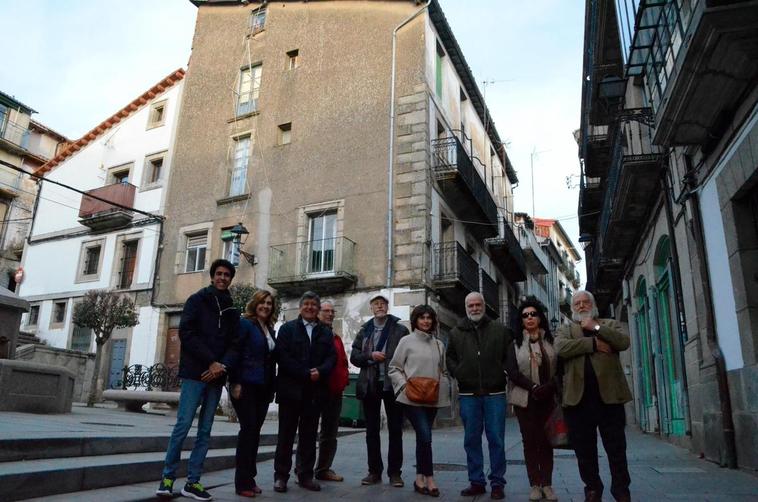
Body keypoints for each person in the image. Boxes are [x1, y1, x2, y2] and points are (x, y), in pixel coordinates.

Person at [156, 259, 241, 501]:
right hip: (195, 373)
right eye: (219, 274)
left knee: (205, 430)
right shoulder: (197, 300)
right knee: (182, 426)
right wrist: (211, 362)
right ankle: (167, 477)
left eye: (227, 275)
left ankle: (193, 482)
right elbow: (187, 333)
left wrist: (222, 366)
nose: (223, 278)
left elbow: (235, 344)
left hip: (216, 378)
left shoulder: (232, 310)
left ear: (230, 279)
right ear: (213, 276)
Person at [555, 290, 632, 502]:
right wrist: (594, 344)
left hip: (609, 399)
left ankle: (621, 490)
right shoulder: (565, 329)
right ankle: (592, 488)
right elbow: (561, 348)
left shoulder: (609, 324)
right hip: (578, 401)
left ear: (593, 304)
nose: (581, 306)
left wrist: (596, 328)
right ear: (572, 308)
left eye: (585, 302)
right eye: (577, 303)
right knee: (584, 451)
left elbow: (623, 342)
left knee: (616, 448)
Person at [446, 291, 512, 500]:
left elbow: (508, 357)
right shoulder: (456, 332)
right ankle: (476, 481)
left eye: (477, 304)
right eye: (470, 305)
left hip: (495, 393)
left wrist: (501, 372)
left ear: (484, 306)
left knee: (496, 439)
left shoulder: (499, 330)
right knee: (471, 439)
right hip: (468, 394)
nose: (474, 308)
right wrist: (459, 373)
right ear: (466, 308)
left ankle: (497, 483)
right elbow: (450, 358)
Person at [273, 291, 336, 493]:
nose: (310, 307)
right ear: (300, 307)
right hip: (290, 391)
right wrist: (305, 373)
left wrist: (321, 371)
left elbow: (331, 358)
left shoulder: (325, 332)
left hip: (314, 393)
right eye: (306, 304)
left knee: (309, 436)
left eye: (313, 304)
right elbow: (282, 357)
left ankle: (305, 475)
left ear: (318, 309)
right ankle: (281, 476)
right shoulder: (287, 329)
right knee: (286, 435)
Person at [388, 304, 450, 498]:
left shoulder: (439, 344)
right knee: (425, 435)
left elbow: (444, 370)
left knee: (423, 438)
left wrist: (444, 387)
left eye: (429, 318)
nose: (426, 321)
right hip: (411, 397)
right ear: (415, 320)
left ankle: (419, 478)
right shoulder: (406, 341)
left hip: (432, 397)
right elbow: (394, 368)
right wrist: (404, 387)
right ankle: (429, 478)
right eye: (422, 318)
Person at [350, 294, 409, 487]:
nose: (380, 307)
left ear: (387, 306)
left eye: (383, 304)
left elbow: (408, 356)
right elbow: (355, 357)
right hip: (370, 385)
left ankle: (395, 474)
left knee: (395, 430)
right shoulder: (364, 330)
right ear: (371, 308)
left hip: (393, 385)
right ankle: (374, 471)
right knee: (372, 431)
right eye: (376, 304)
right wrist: (370, 355)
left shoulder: (400, 330)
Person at [506, 297, 559, 501]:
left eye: (533, 314)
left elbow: (560, 369)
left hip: (548, 399)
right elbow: (512, 371)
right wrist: (533, 387)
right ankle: (534, 485)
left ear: (540, 317)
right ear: (521, 320)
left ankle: (547, 484)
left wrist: (548, 388)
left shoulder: (552, 341)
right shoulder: (515, 344)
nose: (529, 318)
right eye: (525, 315)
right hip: (525, 400)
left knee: (547, 442)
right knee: (530, 442)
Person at [229, 289, 277, 497]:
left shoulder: (269, 328)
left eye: (269, 303)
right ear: (254, 304)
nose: (265, 306)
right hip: (246, 385)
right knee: (248, 432)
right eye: (262, 302)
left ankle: (250, 477)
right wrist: (235, 381)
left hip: (263, 387)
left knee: (254, 434)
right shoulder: (245, 324)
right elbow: (236, 351)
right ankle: (242, 483)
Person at [313, 300, 349, 482]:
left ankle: (323, 469)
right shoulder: (314, 333)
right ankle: (302, 469)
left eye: (332, 311)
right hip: (317, 390)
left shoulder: (335, 337)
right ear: (318, 313)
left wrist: (344, 379)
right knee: (309, 431)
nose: (330, 314)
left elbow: (342, 361)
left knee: (330, 433)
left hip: (335, 391)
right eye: (326, 311)